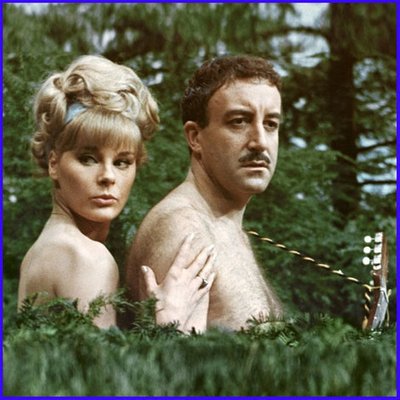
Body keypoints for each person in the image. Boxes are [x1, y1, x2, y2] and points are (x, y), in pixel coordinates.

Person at [17, 55, 216, 330]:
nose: (108, 176)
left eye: (122, 162)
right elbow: (101, 361)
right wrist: (171, 323)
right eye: (88, 158)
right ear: (54, 163)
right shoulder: (85, 258)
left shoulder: (44, 250)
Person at [126, 55, 283, 331]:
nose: (260, 142)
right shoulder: (182, 230)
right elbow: (164, 354)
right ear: (195, 137)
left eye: (270, 124)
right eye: (239, 121)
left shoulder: (226, 225)